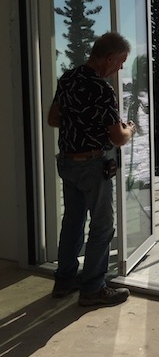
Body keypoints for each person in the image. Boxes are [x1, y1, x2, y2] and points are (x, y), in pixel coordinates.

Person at [48, 32, 137, 307]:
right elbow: (117, 137)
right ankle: (93, 288)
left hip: (67, 161)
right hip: (92, 165)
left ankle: (64, 281)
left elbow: (53, 119)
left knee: (73, 222)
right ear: (109, 58)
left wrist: (79, 119)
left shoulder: (68, 78)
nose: (120, 68)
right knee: (102, 226)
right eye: (121, 62)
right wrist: (130, 130)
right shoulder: (102, 89)